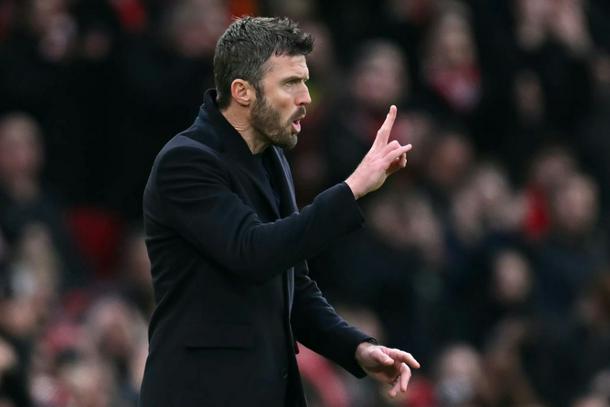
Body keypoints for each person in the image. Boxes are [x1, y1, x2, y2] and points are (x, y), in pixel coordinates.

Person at [138, 16, 418, 407]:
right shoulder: (186, 162)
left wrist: (355, 347)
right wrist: (352, 188)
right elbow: (252, 253)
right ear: (242, 91)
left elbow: (292, 285)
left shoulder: (272, 159)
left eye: (305, 81)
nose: (306, 97)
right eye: (290, 83)